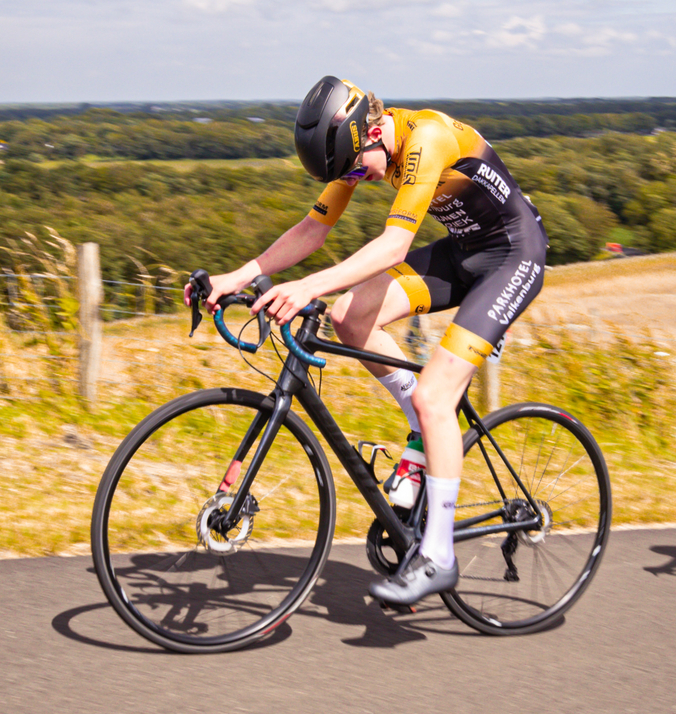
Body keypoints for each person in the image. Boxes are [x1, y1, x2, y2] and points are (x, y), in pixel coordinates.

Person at [192, 77, 547, 609]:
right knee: (349, 318)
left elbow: (395, 244)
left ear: (375, 130)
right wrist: (235, 278)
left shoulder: (426, 136)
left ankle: (439, 557)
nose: (356, 178)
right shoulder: (362, 147)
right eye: (348, 174)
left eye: (358, 168)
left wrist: (307, 284)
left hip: (514, 257)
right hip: (465, 252)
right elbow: (313, 229)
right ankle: (422, 435)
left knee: (434, 398)